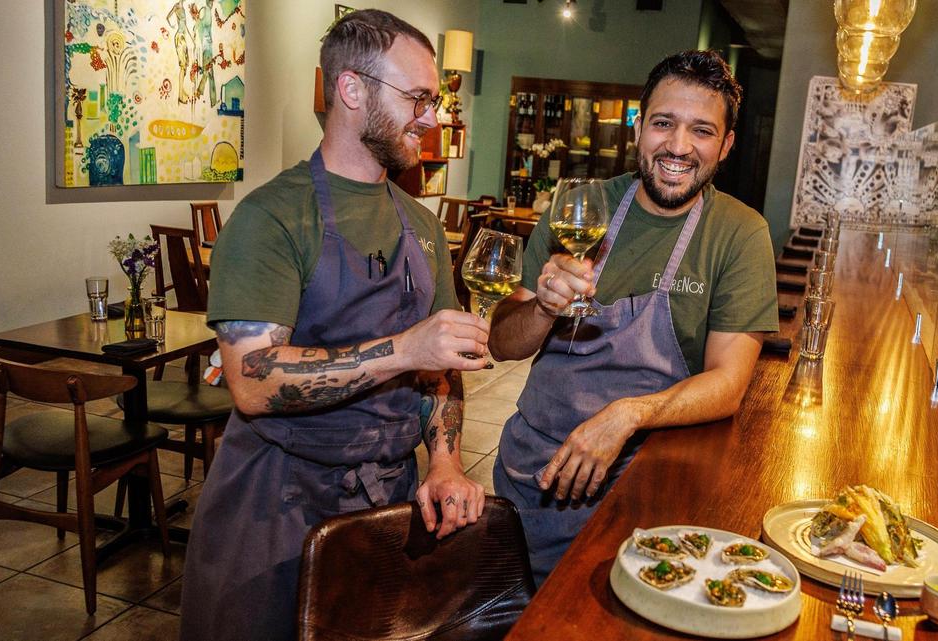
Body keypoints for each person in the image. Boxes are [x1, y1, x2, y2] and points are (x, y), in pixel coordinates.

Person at [180, 10, 490, 641]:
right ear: (352, 91)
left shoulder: (423, 227)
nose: (432, 119)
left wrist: (446, 463)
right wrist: (403, 348)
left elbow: (440, 370)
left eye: (435, 100)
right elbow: (253, 382)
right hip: (276, 506)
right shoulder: (270, 218)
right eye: (419, 99)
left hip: (389, 503)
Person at [488, 50, 779, 584]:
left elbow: (729, 382)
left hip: (643, 494)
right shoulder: (579, 205)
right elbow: (503, 344)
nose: (678, 146)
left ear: (728, 145)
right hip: (532, 477)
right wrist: (543, 307)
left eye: (702, 131)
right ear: (638, 125)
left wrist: (627, 415)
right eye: (663, 123)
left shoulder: (740, 234)